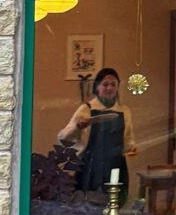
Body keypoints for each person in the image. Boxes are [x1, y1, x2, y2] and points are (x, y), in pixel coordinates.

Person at [59, 67, 139, 198]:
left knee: (115, 202)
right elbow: (63, 137)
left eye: (113, 85)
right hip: (91, 167)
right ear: (97, 87)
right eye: (105, 84)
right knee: (89, 203)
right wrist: (78, 126)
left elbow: (128, 138)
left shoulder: (124, 111)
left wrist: (132, 147)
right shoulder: (86, 109)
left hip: (116, 166)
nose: (109, 88)